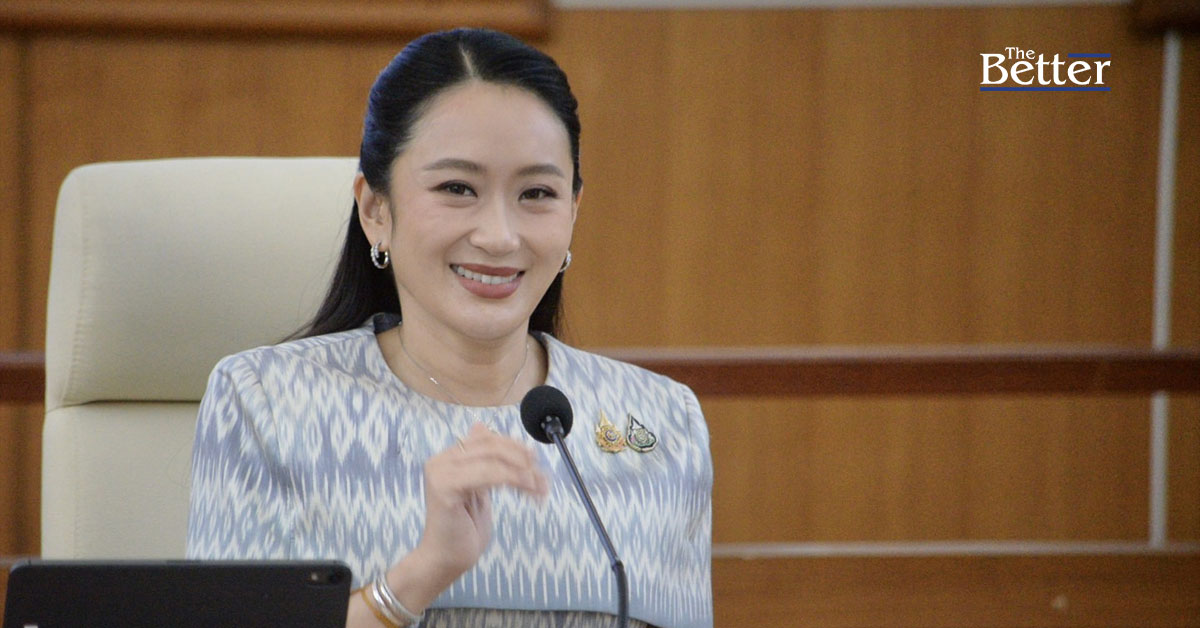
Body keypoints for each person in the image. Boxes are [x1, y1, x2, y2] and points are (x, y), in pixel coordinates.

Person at [186, 28, 712, 628]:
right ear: (375, 209)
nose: (499, 236)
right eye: (457, 188)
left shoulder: (663, 421)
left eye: (537, 193)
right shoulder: (267, 401)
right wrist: (422, 573)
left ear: (573, 211)